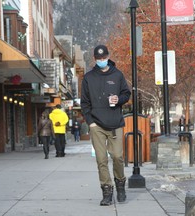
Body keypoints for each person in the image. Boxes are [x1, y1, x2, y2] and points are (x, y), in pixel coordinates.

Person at [81, 45, 131, 206]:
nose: (102, 60)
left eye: (104, 58)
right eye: (99, 58)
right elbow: (84, 103)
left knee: (117, 156)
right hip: (97, 125)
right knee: (101, 159)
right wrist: (91, 123)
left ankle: (120, 184)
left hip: (115, 123)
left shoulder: (117, 75)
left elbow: (126, 93)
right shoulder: (89, 77)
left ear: (108, 56)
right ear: (94, 59)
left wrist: (119, 99)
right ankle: (107, 191)